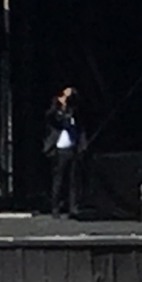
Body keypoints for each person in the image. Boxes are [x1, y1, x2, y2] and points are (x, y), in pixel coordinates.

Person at [44, 86, 86, 218]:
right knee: (58, 179)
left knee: (73, 180)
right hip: (59, 150)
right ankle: (55, 207)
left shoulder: (74, 112)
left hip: (72, 149)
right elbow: (52, 117)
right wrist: (60, 104)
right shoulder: (55, 112)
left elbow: (78, 122)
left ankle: (73, 207)